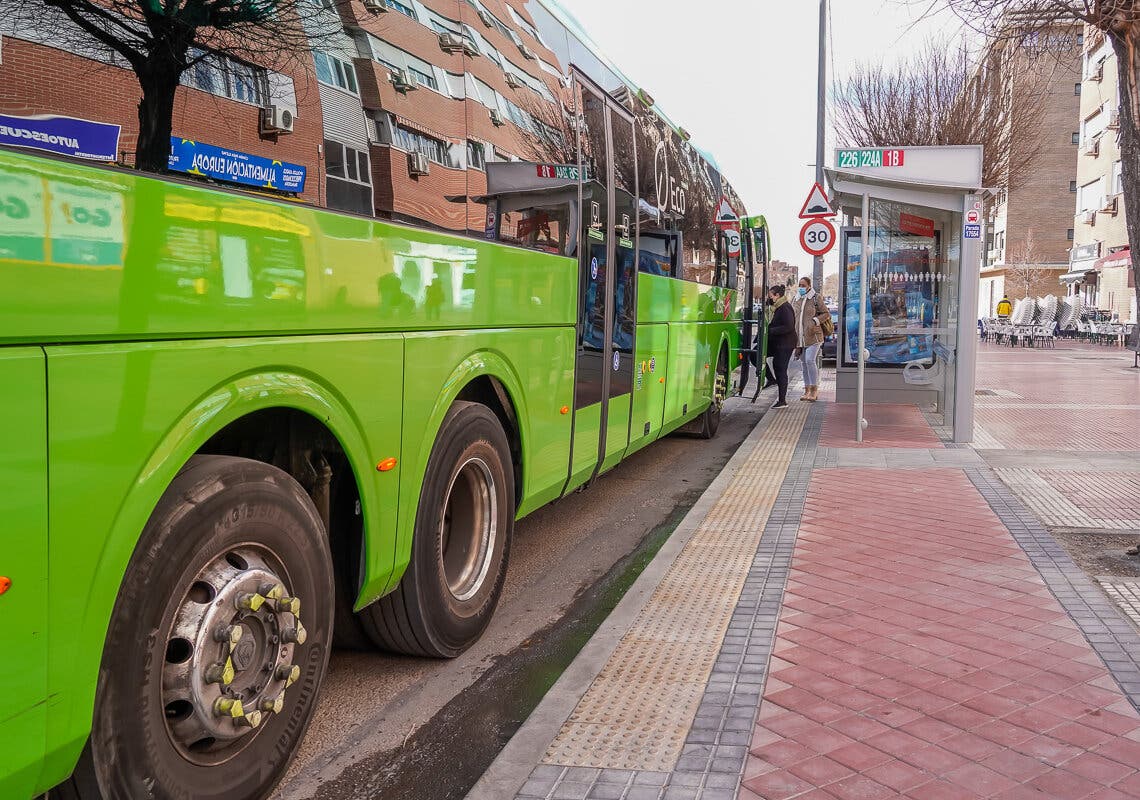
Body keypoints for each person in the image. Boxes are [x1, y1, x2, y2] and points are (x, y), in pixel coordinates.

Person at [792, 276, 828, 402]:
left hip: (814, 336)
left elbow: (826, 313)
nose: (801, 287)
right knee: (803, 363)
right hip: (800, 338)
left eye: (803, 285)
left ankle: (814, 389)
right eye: (799, 285)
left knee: (809, 360)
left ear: (809, 286)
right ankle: (806, 389)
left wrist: (815, 321)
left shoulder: (815, 297)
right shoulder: (796, 298)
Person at [765, 284, 796, 409]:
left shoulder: (785, 308)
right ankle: (771, 379)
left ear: (777, 296)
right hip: (776, 342)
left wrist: (771, 331)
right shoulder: (776, 307)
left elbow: (789, 326)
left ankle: (782, 400)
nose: (769, 298)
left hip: (785, 344)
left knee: (780, 368)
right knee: (754, 354)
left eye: (771, 296)